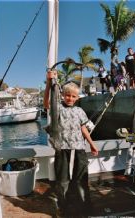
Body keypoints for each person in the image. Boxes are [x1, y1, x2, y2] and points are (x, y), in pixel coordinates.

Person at [44, 70, 98, 216]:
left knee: (81, 179)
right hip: (62, 149)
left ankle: (84, 205)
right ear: (63, 95)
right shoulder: (58, 108)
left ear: (77, 97)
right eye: (67, 95)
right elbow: (46, 103)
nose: (70, 98)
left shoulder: (80, 111)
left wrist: (92, 144)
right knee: (63, 181)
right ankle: (64, 206)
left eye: (73, 96)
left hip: (79, 150)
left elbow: (84, 129)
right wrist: (49, 83)